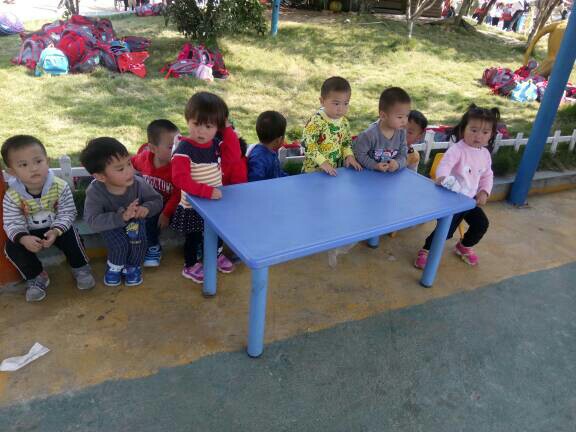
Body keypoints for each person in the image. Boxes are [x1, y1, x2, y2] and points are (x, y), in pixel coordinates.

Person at [2, 135, 95, 302]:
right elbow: (11, 221)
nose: (33, 168)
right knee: (12, 247)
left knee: (72, 234)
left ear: (47, 161)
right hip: (28, 232)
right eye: (23, 165)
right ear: (12, 172)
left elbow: (68, 212)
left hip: (56, 227)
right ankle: (36, 276)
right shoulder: (12, 195)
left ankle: (80, 267)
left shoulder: (60, 186)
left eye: (38, 161)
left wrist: (56, 230)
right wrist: (23, 238)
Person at [414, 104, 498, 269]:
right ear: (462, 129)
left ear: (491, 135)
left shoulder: (485, 154)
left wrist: (484, 191)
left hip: (469, 200)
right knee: (446, 230)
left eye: (485, 132)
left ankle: (464, 245)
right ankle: (426, 250)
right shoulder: (457, 150)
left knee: (481, 224)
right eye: (473, 130)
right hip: (451, 199)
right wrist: (443, 177)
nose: (478, 136)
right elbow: (445, 165)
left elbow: (487, 175)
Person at [170, 92, 240, 284]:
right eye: (196, 124)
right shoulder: (183, 150)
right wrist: (207, 192)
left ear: (218, 127)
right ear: (187, 121)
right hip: (193, 205)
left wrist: (228, 129)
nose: (201, 132)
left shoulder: (215, 144)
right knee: (193, 237)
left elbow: (234, 157)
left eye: (208, 126)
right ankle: (190, 265)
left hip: (213, 203)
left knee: (216, 233)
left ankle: (215, 255)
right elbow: (180, 180)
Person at [81, 137, 163, 287]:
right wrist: (121, 217)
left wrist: (147, 208)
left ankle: (133, 266)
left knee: (139, 243)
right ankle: (115, 266)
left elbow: (157, 200)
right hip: (112, 226)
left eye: (129, 163)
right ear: (100, 176)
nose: (129, 171)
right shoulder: (95, 192)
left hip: (136, 224)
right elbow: (93, 220)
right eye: (120, 169)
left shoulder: (138, 183)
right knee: (119, 245)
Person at [131, 119, 180, 267]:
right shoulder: (144, 158)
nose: (177, 150)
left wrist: (166, 214)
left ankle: (154, 247)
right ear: (153, 148)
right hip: (150, 202)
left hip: (171, 204)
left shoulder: (178, 165)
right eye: (171, 147)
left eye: (179, 144)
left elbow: (178, 193)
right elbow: (131, 162)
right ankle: (150, 245)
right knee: (142, 216)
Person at [301, 76, 362, 176]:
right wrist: (323, 163)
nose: (341, 109)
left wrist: (349, 156)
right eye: (336, 104)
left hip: (336, 172)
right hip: (313, 173)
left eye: (345, 103)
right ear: (322, 101)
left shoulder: (344, 122)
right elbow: (308, 146)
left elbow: (346, 143)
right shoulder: (316, 122)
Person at [353, 87, 410, 173]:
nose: (404, 121)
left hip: (390, 177)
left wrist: (397, 164)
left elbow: (403, 154)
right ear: (383, 116)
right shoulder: (369, 135)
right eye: (400, 117)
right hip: (367, 175)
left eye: (407, 116)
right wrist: (375, 165)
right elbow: (359, 154)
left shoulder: (401, 132)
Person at [248, 111, 288, 182]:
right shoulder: (259, 158)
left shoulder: (271, 152)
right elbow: (255, 183)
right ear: (278, 140)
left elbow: (278, 173)